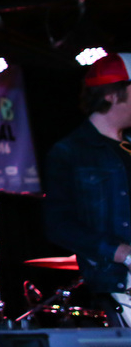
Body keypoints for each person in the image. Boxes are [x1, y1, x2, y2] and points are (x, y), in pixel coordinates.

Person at [44, 52, 131, 326]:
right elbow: (58, 225)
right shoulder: (70, 152)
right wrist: (122, 252)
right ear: (113, 94)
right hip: (120, 285)